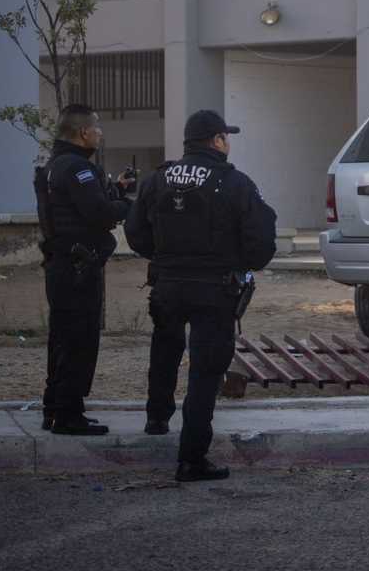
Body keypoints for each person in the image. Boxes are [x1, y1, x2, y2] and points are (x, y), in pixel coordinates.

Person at [124, 110, 277, 482]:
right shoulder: (235, 182)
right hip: (214, 290)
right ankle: (192, 459)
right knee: (205, 372)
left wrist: (167, 260)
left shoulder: (156, 179)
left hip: (168, 285)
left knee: (165, 347)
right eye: (227, 137)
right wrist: (237, 262)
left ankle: (157, 419)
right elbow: (261, 243)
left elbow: (135, 233)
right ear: (218, 141)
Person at [33, 103, 135, 436]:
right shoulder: (78, 168)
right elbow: (100, 215)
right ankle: (68, 416)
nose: (100, 132)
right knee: (78, 341)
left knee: (62, 341)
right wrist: (132, 205)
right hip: (77, 271)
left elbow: (84, 205)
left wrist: (117, 189)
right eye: (98, 127)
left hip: (63, 266)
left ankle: (56, 409)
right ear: (84, 131)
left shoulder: (55, 166)